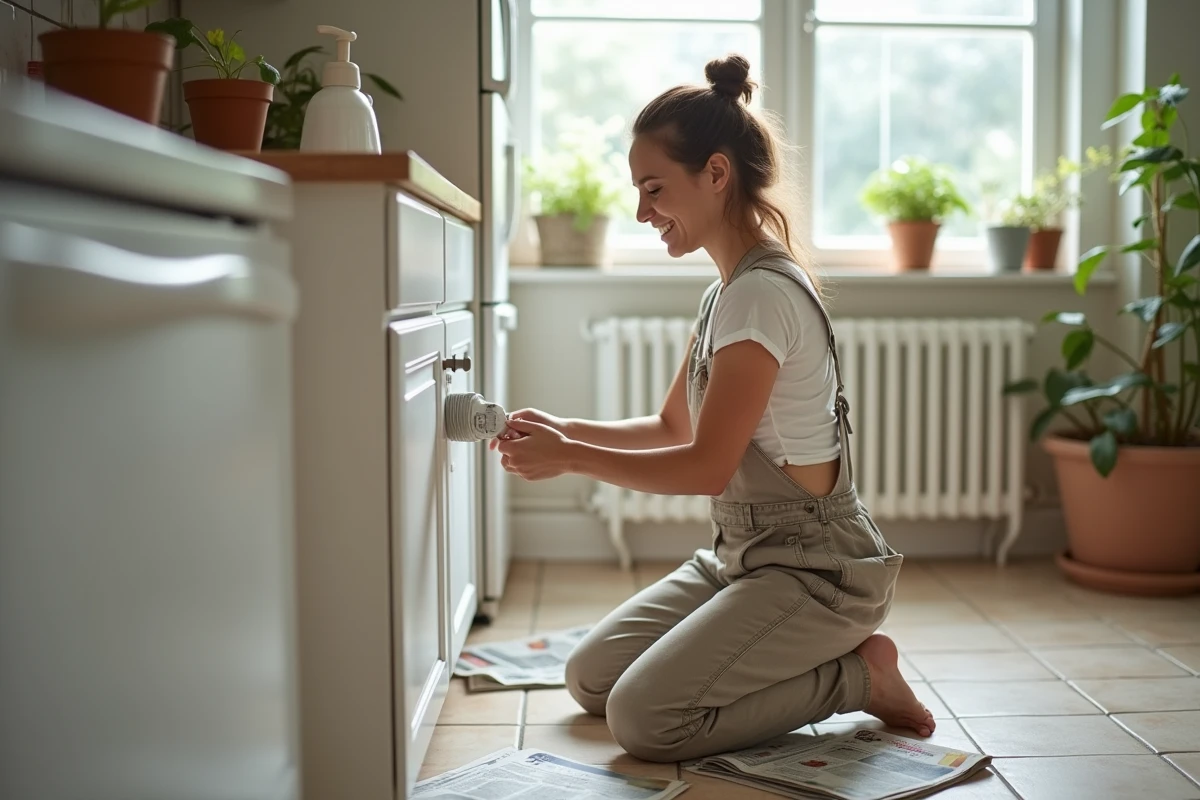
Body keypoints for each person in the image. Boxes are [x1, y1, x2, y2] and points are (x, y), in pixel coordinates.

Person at [492, 54, 934, 764]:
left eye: (654, 188)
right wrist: (564, 429)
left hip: (816, 573)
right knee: (591, 677)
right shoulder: (723, 294)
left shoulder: (761, 295)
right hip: (747, 559)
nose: (642, 212)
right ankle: (799, 656)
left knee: (645, 721)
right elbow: (673, 426)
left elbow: (705, 465)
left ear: (717, 174)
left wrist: (571, 458)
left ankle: (858, 678)